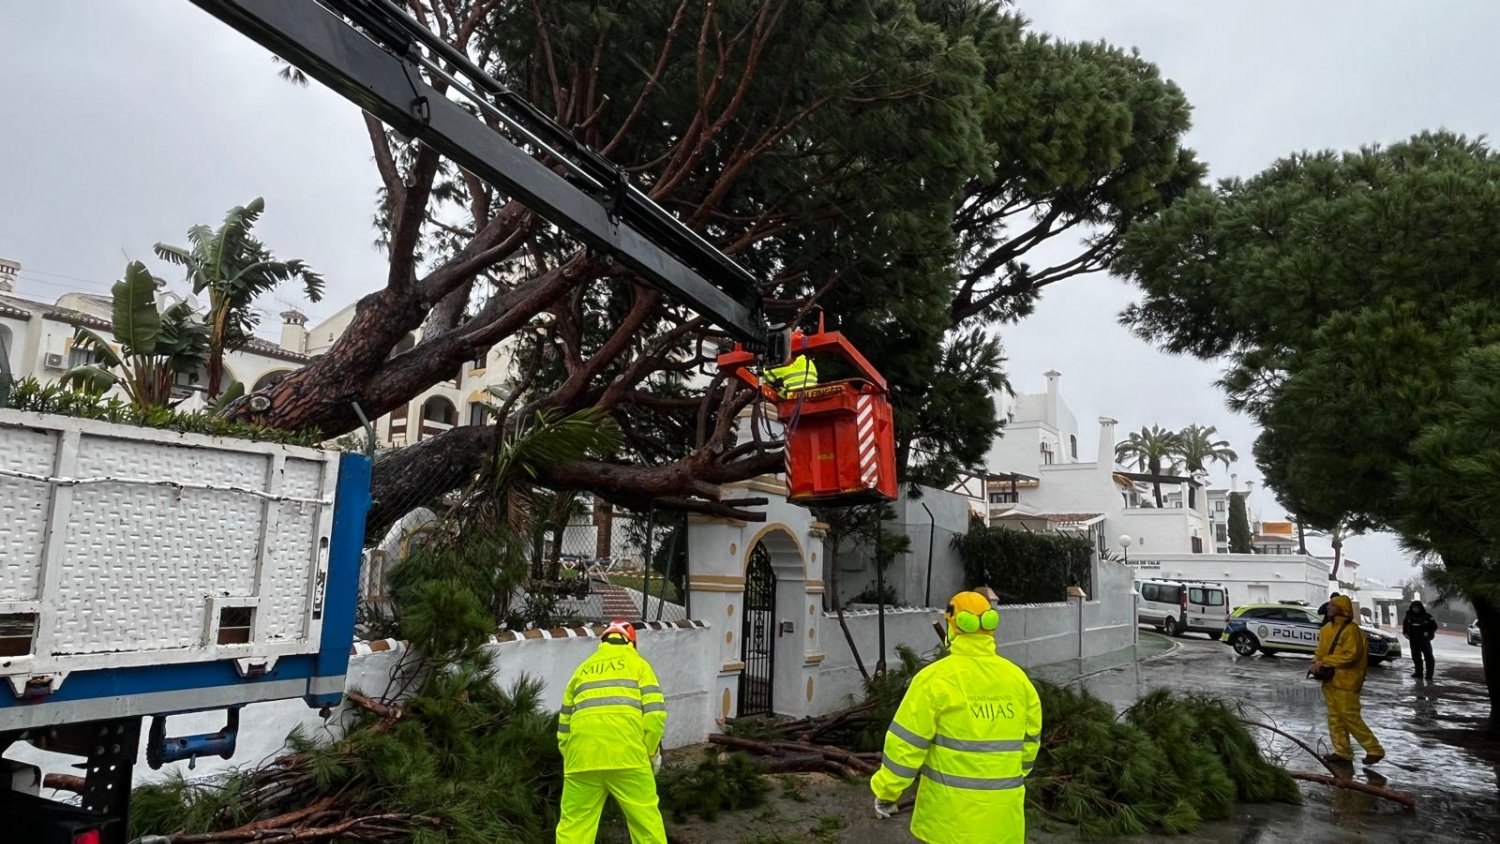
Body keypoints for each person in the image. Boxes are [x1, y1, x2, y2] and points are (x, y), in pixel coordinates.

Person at [870, 591, 1042, 844]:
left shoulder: (934, 680)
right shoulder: (1018, 681)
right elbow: (1029, 748)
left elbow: (905, 746)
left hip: (946, 824)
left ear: (952, 628)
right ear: (990, 628)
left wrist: (886, 792)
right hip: (1003, 823)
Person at [555, 620, 668, 844]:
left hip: (582, 760)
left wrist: (571, 755)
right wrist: (650, 752)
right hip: (629, 758)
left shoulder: (582, 669)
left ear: (604, 640)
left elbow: (564, 724)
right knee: (646, 824)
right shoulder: (639, 666)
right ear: (631, 643)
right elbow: (655, 716)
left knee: (574, 827)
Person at [1311, 595, 1385, 766]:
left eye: (1332, 605)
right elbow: (1321, 652)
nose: (1328, 607)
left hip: (1347, 682)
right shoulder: (1327, 629)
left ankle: (1374, 749)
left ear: (1341, 609)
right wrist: (1315, 663)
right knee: (1335, 717)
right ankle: (1342, 752)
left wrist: (1324, 662)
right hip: (1330, 681)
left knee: (1350, 716)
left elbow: (1350, 656)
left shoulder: (1352, 631)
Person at [1402, 600, 1438, 681]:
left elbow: (1434, 626)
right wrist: (1405, 633)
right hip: (1413, 640)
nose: (1415, 610)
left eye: (1417, 608)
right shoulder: (1409, 616)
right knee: (1416, 657)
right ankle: (1418, 673)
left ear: (1420, 608)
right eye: (1414, 608)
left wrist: (1428, 632)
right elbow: (1405, 625)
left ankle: (1429, 675)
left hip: (1424, 641)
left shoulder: (1427, 616)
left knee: (1428, 658)